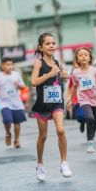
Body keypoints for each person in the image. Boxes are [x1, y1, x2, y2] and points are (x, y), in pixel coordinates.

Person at [31, 32, 72, 182]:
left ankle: (64, 163)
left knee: (61, 130)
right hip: (42, 105)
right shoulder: (39, 63)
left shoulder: (56, 62)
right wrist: (50, 74)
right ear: (41, 47)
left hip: (56, 103)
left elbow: (59, 76)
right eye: (47, 44)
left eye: (53, 43)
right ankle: (40, 164)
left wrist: (63, 75)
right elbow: (34, 81)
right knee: (43, 136)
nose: (51, 46)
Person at [67, 47, 96, 153]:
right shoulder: (76, 73)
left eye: (85, 54)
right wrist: (71, 100)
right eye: (80, 55)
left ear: (89, 57)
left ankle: (92, 136)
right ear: (77, 59)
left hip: (95, 99)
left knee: (95, 121)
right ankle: (90, 143)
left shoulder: (95, 71)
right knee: (89, 118)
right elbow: (74, 87)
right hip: (83, 100)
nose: (83, 56)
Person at [0, 57, 27, 148]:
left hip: (16, 103)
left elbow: (23, 87)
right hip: (4, 102)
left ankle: (17, 140)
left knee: (17, 122)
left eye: (11, 64)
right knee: (7, 120)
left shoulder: (16, 75)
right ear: (2, 66)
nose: (10, 66)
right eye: (8, 64)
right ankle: (8, 134)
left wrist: (18, 85)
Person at [68, 61, 86, 133]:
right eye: (75, 65)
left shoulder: (89, 73)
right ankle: (82, 122)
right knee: (80, 116)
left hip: (88, 98)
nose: (77, 67)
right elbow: (70, 87)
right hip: (77, 99)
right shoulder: (73, 76)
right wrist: (70, 99)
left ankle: (90, 134)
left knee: (90, 116)